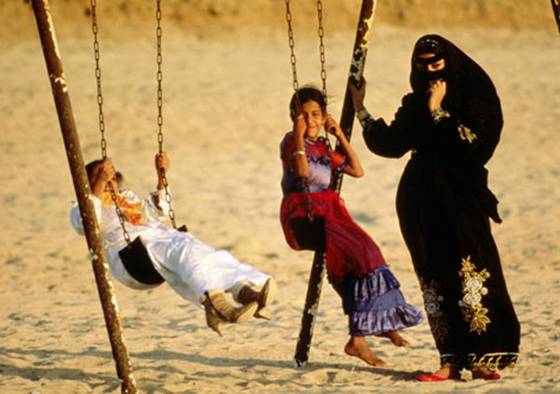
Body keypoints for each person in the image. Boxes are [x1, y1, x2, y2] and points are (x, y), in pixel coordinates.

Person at [350, 34, 520, 381]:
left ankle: (483, 357)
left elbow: (474, 146)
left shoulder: (476, 97)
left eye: (436, 63)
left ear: (450, 62)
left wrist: (439, 112)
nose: (429, 70)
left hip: (461, 197)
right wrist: (360, 108)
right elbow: (391, 144)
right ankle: (451, 358)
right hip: (420, 201)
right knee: (435, 276)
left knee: (470, 269)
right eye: (421, 64)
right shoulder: (415, 101)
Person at [279, 86, 423, 367]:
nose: (310, 120)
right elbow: (302, 172)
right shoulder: (289, 142)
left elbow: (357, 170)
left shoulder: (323, 146)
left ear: (324, 117)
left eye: (316, 114)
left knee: (365, 257)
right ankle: (362, 333)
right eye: (303, 115)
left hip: (330, 214)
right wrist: (297, 134)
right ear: (294, 118)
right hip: (303, 216)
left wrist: (340, 136)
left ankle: (367, 331)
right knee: (361, 253)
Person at [70, 153, 275, 336]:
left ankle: (241, 291)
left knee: (202, 252)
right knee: (183, 251)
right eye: (99, 175)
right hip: (131, 257)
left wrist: (161, 176)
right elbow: (86, 224)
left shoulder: (127, 198)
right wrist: (98, 185)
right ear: (86, 183)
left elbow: (160, 211)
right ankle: (218, 304)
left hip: (156, 241)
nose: (108, 180)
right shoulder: (83, 207)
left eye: (111, 176)